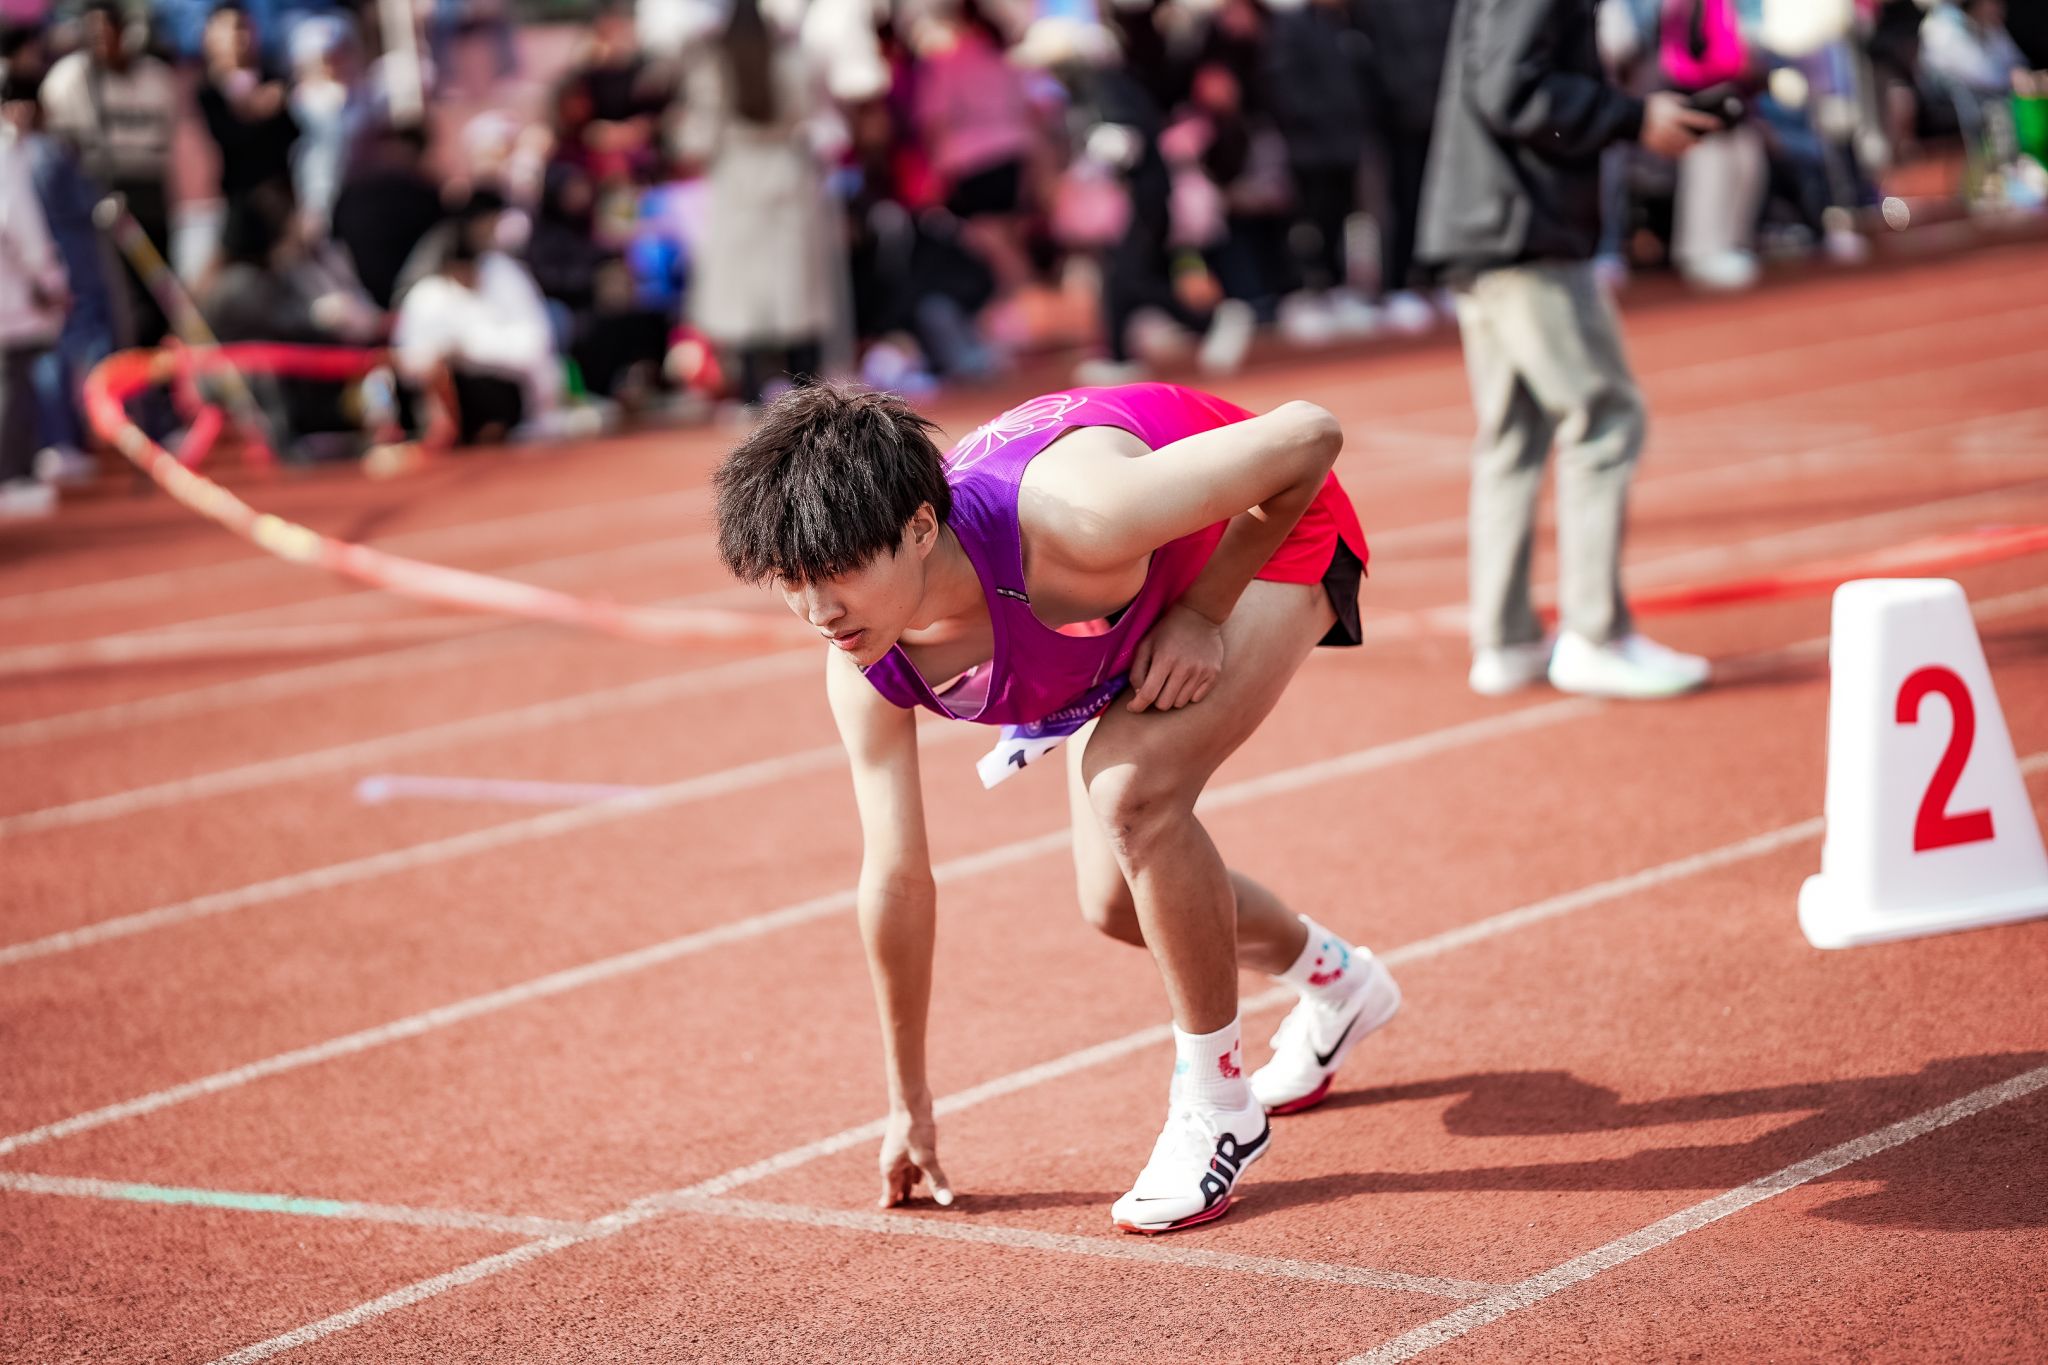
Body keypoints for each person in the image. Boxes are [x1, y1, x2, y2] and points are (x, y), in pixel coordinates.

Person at [713, 381, 1399, 1233]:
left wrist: (1200, 613)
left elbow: (1307, 435)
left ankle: (1220, 1104)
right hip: (1121, 600)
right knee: (1115, 900)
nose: (819, 612)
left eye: (841, 572)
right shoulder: (863, 665)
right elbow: (895, 879)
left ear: (921, 528)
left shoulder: (1083, 516)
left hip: (1267, 538)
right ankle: (1339, 983)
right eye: (792, 581)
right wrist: (908, 1102)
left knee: (1131, 787)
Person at [1419, 0, 1719, 699]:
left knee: (1515, 434)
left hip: (1489, 223)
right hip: (1523, 227)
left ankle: (1509, 638)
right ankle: (1594, 632)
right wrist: (1633, 118)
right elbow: (1512, 91)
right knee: (1605, 415)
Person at [679, 0, 837, 407]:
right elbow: (812, 115)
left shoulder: (712, 67)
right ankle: (810, 394)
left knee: (744, 293)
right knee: (797, 285)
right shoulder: (792, 59)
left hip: (737, 178)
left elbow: (699, 137)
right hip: (788, 175)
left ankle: (752, 389)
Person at [0, 94, 67, 519]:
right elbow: (18, 221)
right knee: (12, 384)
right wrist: (47, 278)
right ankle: (12, 476)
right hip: (11, 292)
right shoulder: (4, 154)